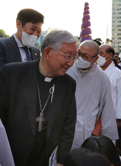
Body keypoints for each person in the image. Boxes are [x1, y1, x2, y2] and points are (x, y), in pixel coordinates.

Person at [0, 29, 78, 166]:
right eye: (67, 56)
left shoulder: (68, 84)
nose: (71, 63)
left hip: (46, 158)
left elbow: (68, 126)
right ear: (47, 52)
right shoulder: (12, 74)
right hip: (13, 155)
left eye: (74, 57)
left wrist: (61, 160)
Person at [67, 40, 118, 149]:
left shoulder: (102, 78)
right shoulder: (67, 70)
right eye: (79, 54)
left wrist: (98, 129)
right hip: (65, 125)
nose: (80, 58)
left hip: (88, 128)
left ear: (95, 59)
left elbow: (107, 108)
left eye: (85, 56)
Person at [97, 44, 121, 128]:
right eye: (97, 54)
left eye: (101, 53)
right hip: (93, 114)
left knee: (107, 139)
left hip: (110, 114)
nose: (98, 56)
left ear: (110, 55)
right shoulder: (94, 71)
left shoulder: (119, 74)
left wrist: (118, 117)